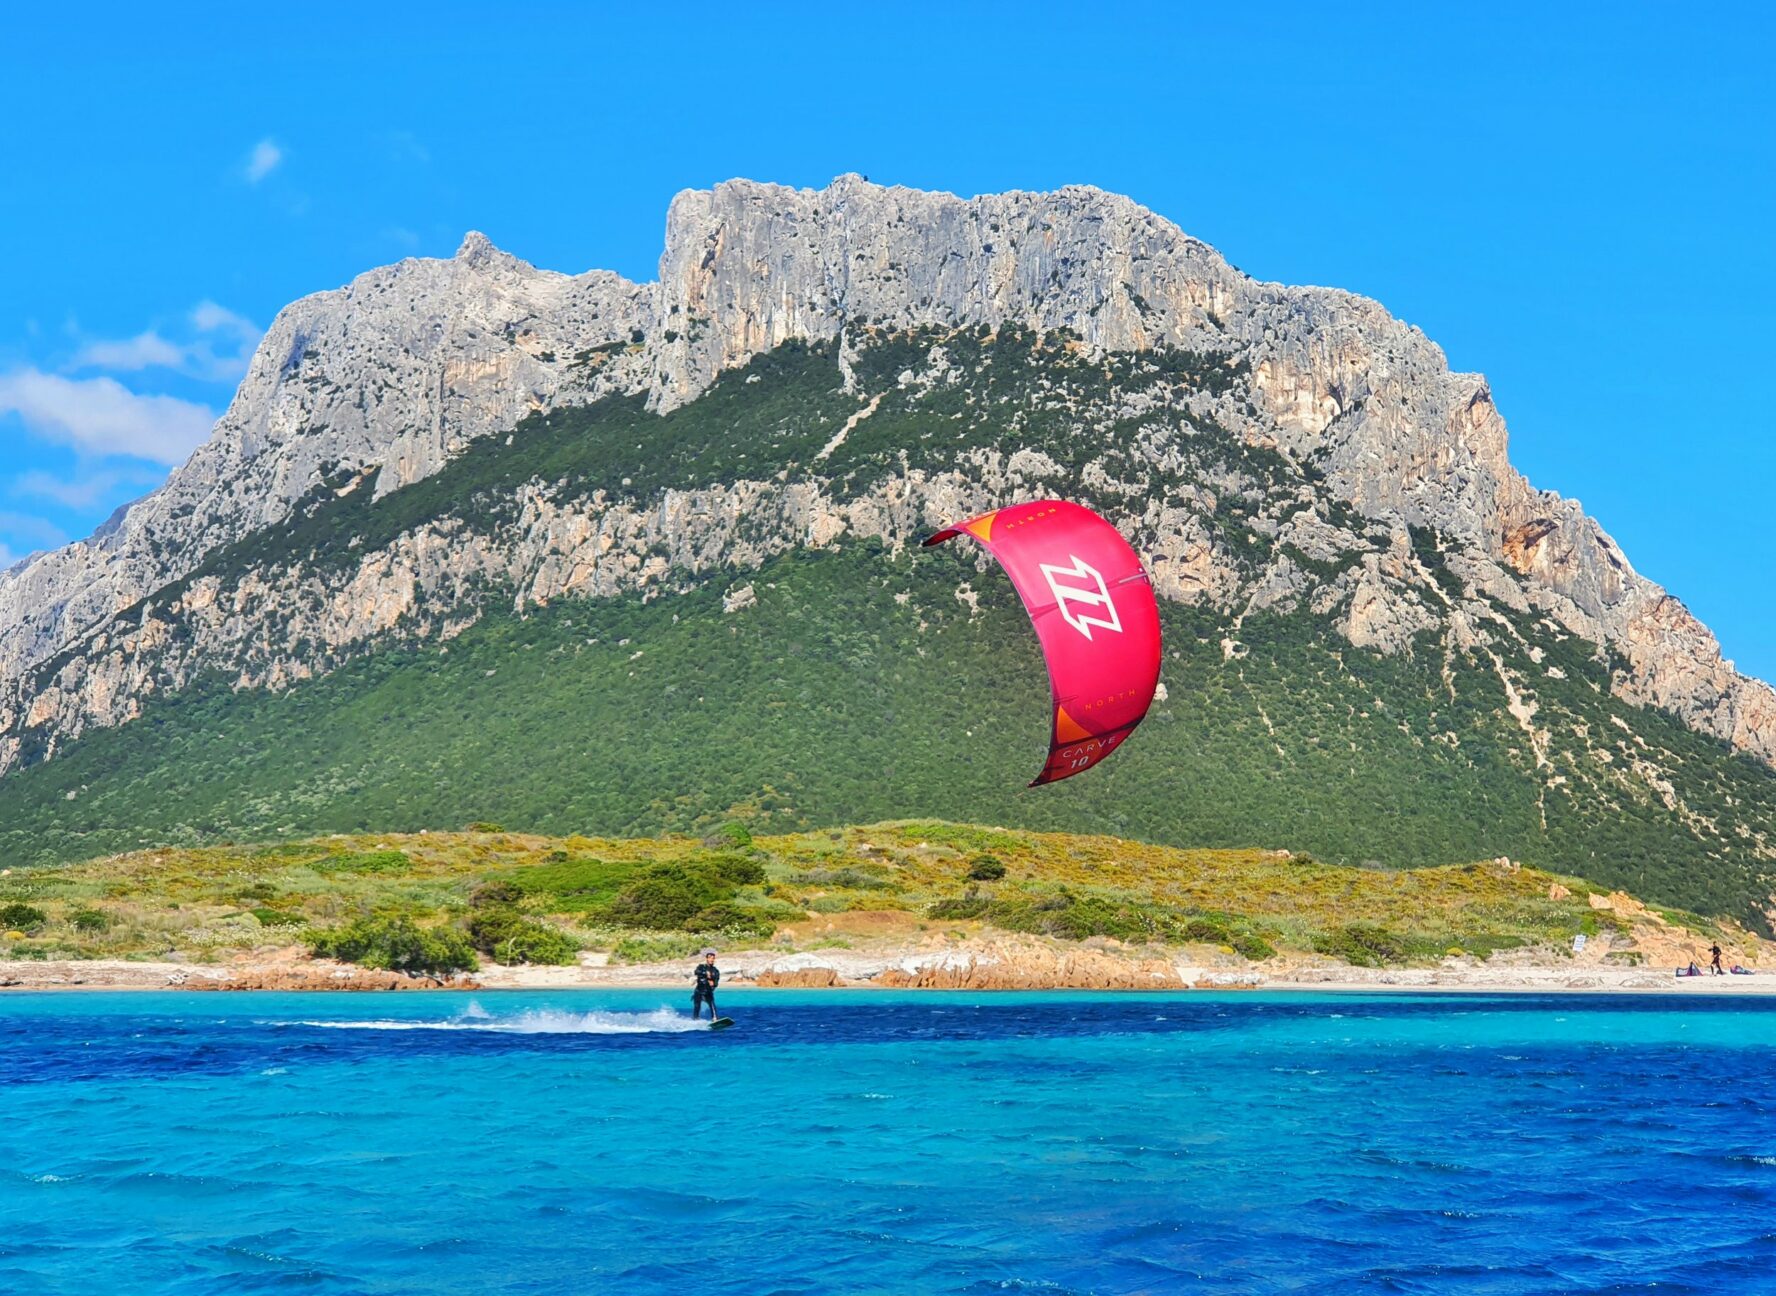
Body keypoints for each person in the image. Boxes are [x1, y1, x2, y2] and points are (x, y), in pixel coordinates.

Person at [691, 948, 721, 1020]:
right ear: (707, 959)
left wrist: (713, 984)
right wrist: (704, 973)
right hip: (699, 991)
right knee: (697, 1006)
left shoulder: (715, 971)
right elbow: (696, 972)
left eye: (713, 958)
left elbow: (716, 983)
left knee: (712, 1006)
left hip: (708, 992)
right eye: (710, 958)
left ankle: (715, 1019)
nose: (711, 960)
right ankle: (695, 1019)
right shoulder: (701, 967)